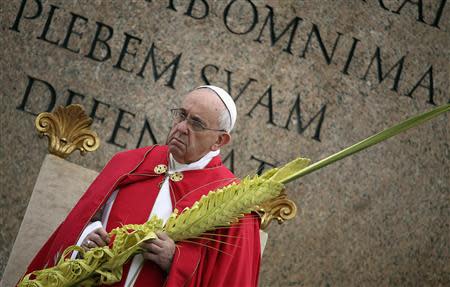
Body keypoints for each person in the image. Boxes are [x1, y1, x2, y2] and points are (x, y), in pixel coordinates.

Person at [22, 85, 261, 287]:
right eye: (181, 115)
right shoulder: (128, 163)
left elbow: (230, 278)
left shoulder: (233, 201)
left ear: (220, 140)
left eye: (196, 123)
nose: (180, 128)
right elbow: (78, 223)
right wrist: (85, 237)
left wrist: (175, 261)